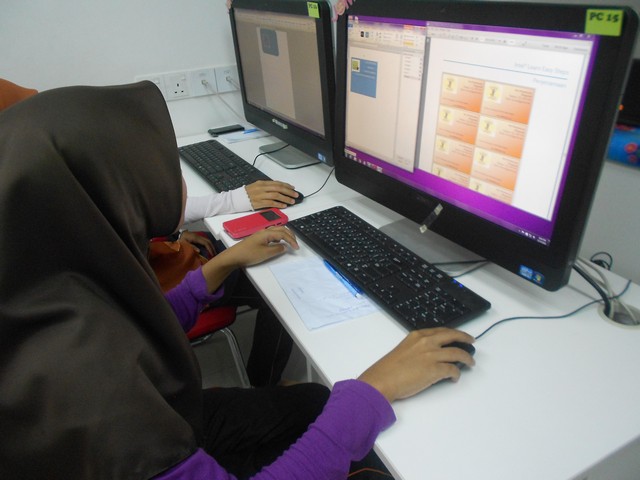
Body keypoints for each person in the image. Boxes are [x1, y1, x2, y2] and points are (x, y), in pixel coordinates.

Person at [0, 82, 476, 479]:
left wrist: (219, 266)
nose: (173, 182)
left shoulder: (49, 284)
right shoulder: (96, 403)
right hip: (158, 443)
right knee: (366, 451)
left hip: (172, 417)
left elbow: (135, 333)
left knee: (315, 400)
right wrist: (375, 390)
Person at [152, 179, 302, 387]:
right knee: (282, 293)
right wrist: (231, 257)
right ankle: (266, 385)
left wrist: (174, 234)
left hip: (176, 255)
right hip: (178, 282)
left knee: (244, 242)